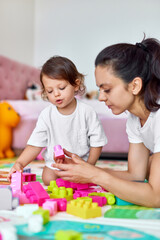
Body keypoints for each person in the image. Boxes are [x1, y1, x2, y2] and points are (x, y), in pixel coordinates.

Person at [53, 37, 160, 207]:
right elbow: (135, 175)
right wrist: (85, 170)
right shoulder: (134, 119)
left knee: (153, 163)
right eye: (100, 89)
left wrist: (94, 176)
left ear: (135, 86)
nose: (101, 97)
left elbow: (156, 197)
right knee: (149, 165)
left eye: (107, 89)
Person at [8, 56, 107, 185]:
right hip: (55, 165)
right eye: (50, 91)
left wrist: (89, 167)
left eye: (61, 88)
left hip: (80, 164)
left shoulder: (87, 112)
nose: (56, 94)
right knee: (48, 179)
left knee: (86, 181)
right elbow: (36, 144)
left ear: (76, 85)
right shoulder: (46, 115)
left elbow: (97, 142)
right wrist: (19, 163)